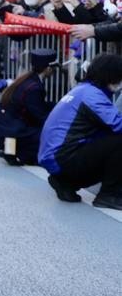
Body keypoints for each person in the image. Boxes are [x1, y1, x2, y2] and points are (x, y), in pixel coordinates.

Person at [38, 53, 122, 210]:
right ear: (110, 76)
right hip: (63, 158)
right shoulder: (93, 96)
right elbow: (118, 125)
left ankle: (66, 183)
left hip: (56, 158)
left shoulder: (82, 90)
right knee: (119, 140)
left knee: (107, 137)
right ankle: (109, 195)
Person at [0, 48, 57, 165]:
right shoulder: (35, 87)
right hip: (7, 130)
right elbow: (40, 116)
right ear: (48, 68)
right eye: (53, 68)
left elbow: (35, 106)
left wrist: (55, 106)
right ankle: (13, 151)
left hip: (0, 125)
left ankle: (9, 150)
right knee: (44, 137)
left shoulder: (26, 79)